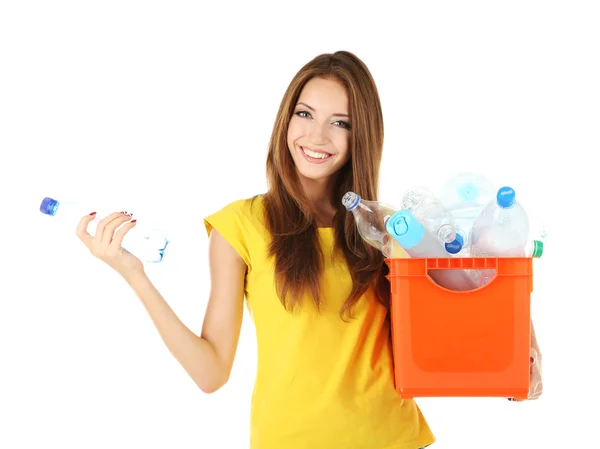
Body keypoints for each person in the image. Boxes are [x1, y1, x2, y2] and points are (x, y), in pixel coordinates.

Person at [75, 50, 540, 448]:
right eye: (305, 114)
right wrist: (133, 274)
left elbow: (474, 284)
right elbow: (211, 373)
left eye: (340, 123)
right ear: (286, 119)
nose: (316, 138)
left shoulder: (387, 227)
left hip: (391, 438)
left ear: (362, 136)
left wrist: (529, 348)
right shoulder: (240, 226)